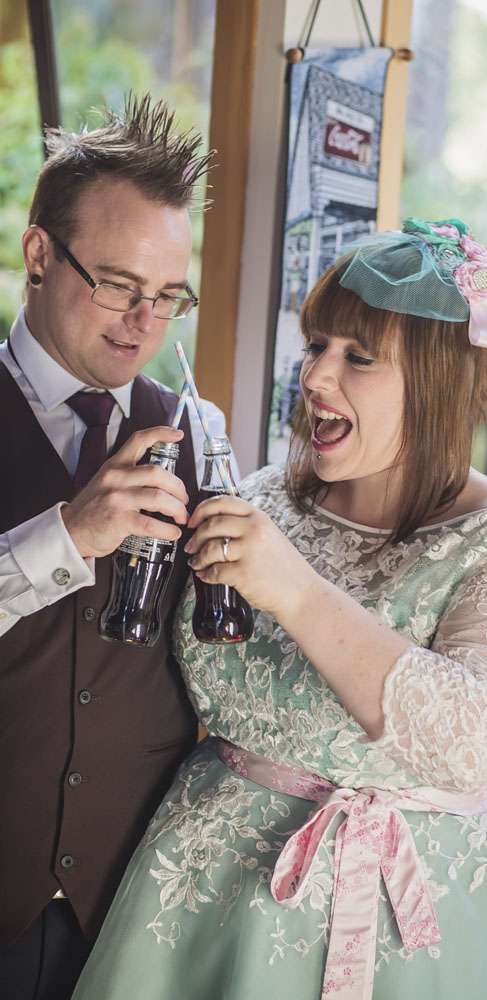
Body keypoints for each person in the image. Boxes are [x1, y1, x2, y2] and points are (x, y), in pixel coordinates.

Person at [73, 218, 487, 999]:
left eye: (357, 357)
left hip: (422, 924)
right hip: (212, 901)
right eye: (315, 346)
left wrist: (299, 593)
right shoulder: (264, 496)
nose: (314, 376)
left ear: (439, 384)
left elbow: (477, 745)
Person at [0, 94, 230, 1000]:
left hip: (133, 909)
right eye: (118, 285)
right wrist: (65, 535)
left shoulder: (198, 431)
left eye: (167, 296)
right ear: (38, 255)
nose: (143, 322)